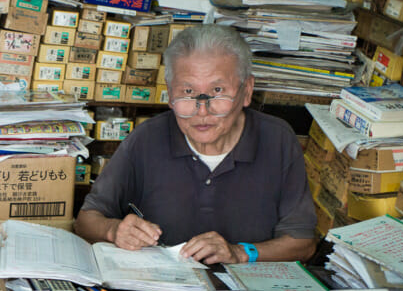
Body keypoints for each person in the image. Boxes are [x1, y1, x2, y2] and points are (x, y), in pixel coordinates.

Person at [74, 24, 317, 265]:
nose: (202, 110)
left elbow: (303, 243)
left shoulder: (277, 139)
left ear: (247, 91)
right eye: (188, 92)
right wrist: (114, 230)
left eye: (218, 91)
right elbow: (85, 221)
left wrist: (240, 253)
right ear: (170, 94)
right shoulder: (148, 137)